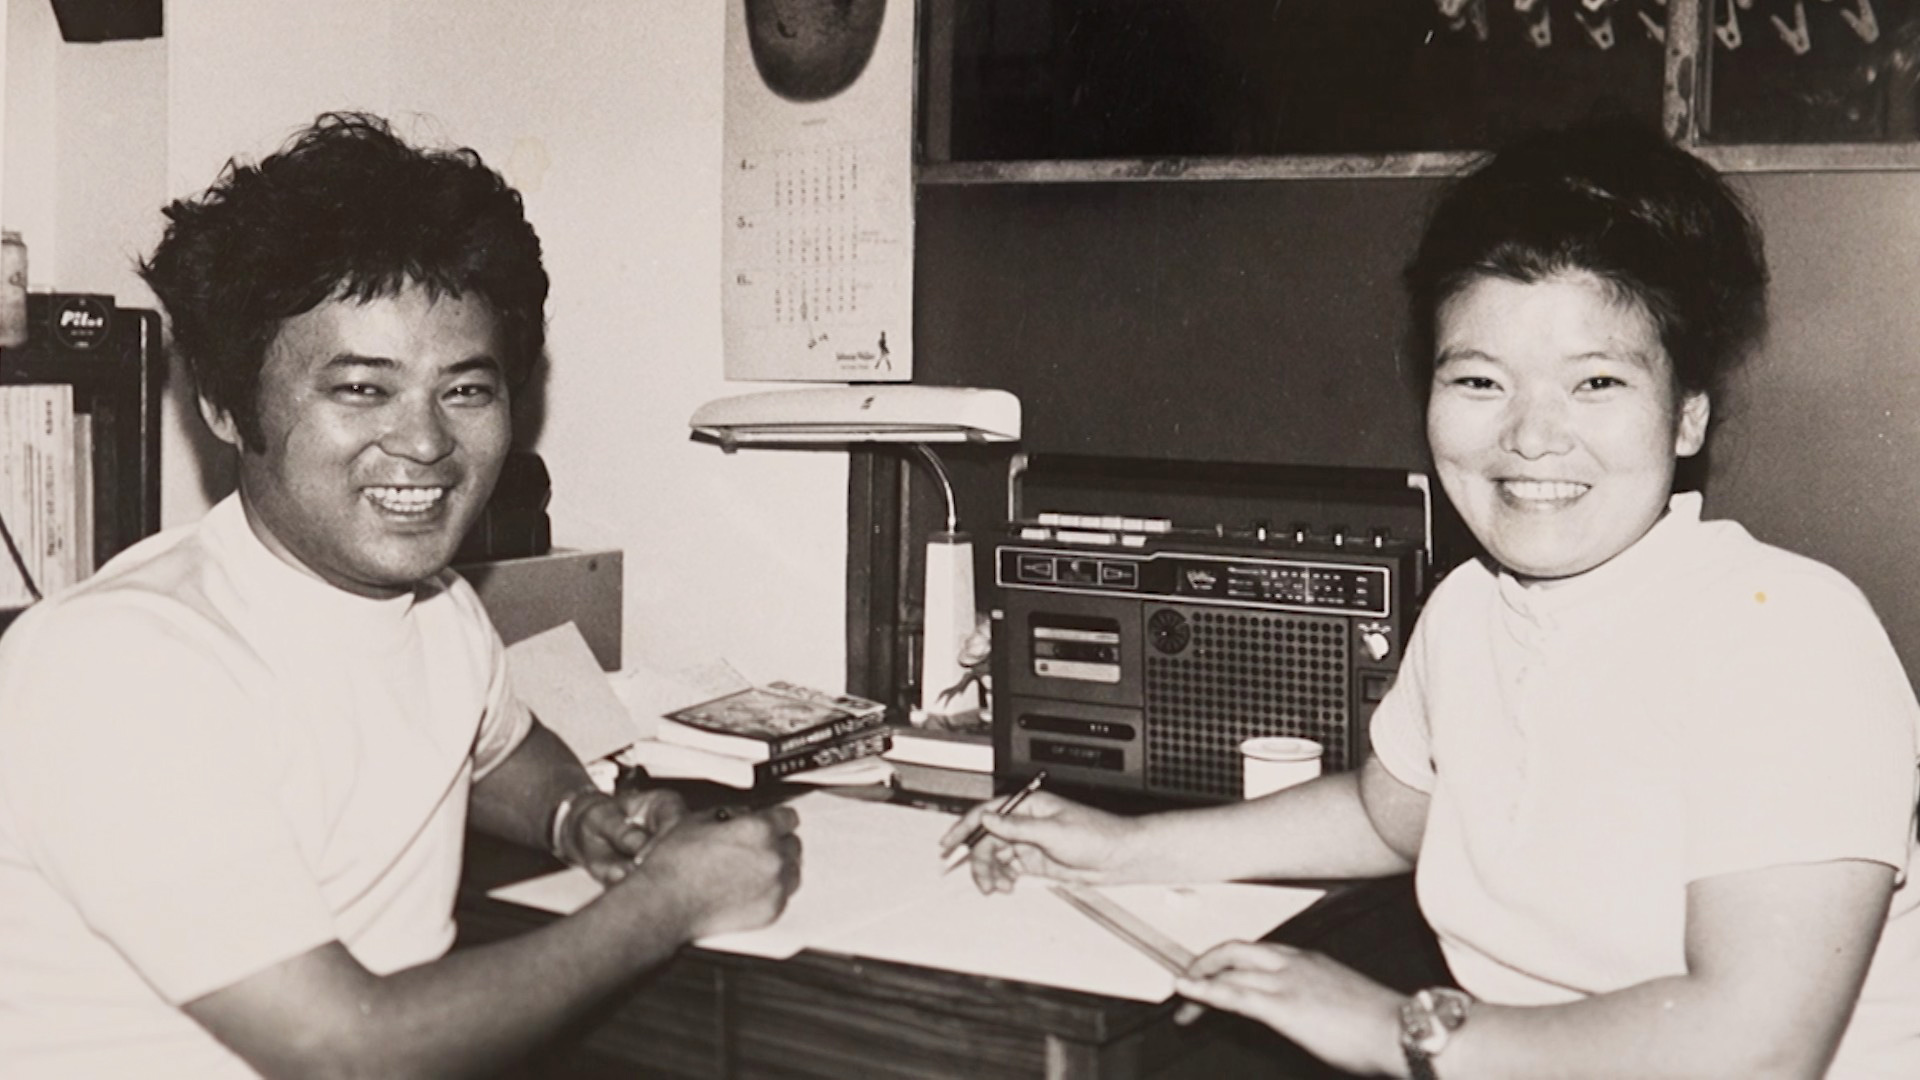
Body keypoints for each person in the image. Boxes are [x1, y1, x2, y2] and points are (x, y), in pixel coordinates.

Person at [944, 119, 1920, 1080]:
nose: (1530, 435)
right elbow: (1388, 816)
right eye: (1482, 380)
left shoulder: (1787, 635)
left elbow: (1757, 1047)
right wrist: (1124, 848)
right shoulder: (1470, 611)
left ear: (1687, 416)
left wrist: (1400, 1032)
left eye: (1595, 382)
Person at [0, 112, 802, 1077]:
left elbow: (492, 750)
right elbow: (343, 1051)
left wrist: (576, 816)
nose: (425, 443)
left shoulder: (437, 608)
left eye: (465, 390)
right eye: (362, 390)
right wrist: (665, 902)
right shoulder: (126, 666)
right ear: (224, 405)